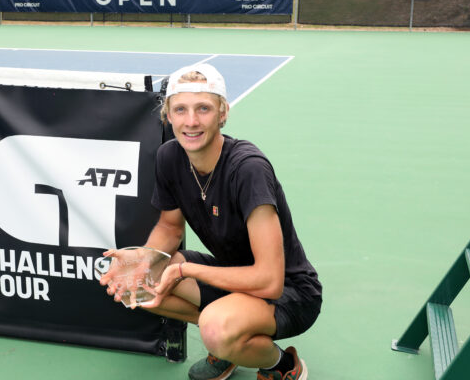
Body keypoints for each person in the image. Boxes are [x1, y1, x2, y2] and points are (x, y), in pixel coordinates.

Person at [100, 63, 322, 380]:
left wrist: (184, 270)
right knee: (133, 281)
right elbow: (169, 227)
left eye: (203, 108)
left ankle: (279, 365)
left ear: (223, 113)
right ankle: (230, 342)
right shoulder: (169, 157)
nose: (191, 121)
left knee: (215, 325)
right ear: (168, 115)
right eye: (181, 110)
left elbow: (269, 280)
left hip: (289, 293)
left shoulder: (248, 168)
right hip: (230, 277)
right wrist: (143, 257)